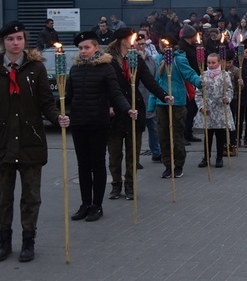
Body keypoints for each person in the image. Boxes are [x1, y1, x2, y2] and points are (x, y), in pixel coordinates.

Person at [0, 21, 69, 262]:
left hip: (30, 141)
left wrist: (57, 116)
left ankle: (28, 241)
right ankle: (4, 241)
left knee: (31, 197)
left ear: (24, 41)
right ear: (3, 43)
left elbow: (45, 102)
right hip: (1, 143)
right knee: (3, 198)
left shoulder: (36, 68)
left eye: (19, 38)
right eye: (10, 39)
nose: (15, 43)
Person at [67, 31, 136, 223]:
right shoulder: (75, 70)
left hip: (98, 122)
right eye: (80, 48)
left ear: (96, 48)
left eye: (87, 47)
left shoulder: (106, 68)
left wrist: (128, 109)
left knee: (97, 164)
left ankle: (97, 205)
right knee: (83, 165)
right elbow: (69, 96)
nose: (83, 51)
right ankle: (85, 204)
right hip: (79, 123)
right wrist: (61, 113)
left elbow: (116, 94)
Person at [105, 28, 172, 201]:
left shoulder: (136, 59)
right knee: (115, 153)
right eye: (131, 38)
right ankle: (116, 184)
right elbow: (103, 87)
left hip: (135, 110)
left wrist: (164, 95)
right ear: (122, 40)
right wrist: (108, 105)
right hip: (115, 113)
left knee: (132, 153)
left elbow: (149, 81)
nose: (134, 40)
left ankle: (130, 185)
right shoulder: (107, 61)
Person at [150, 34, 203, 178]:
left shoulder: (179, 59)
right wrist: (152, 103)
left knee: (176, 136)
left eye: (163, 43)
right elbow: (156, 82)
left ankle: (178, 165)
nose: (161, 46)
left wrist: (199, 81)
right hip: (162, 103)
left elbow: (189, 74)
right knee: (163, 136)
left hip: (177, 102)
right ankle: (168, 165)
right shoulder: (159, 59)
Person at [194, 53, 234, 168]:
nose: (211, 65)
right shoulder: (203, 75)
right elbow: (198, 93)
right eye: (209, 63)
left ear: (218, 63)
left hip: (220, 110)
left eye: (213, 63)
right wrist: (201, 106)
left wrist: (228, 98)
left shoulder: (224, 75)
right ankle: (206, 158)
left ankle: (219, 157)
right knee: (208, 135)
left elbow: (230, 90)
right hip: (208, 110)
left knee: (220, 135)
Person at [135, 33, 163, 162]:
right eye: (139, 44)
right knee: (137, 131)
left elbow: (155, 78)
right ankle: (135, 158)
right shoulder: (131, 60)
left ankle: (156, 153)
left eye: (143, 44)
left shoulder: (151, 59)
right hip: (136, 99)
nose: (141, 47)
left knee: (153, 128)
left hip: (150, 98)